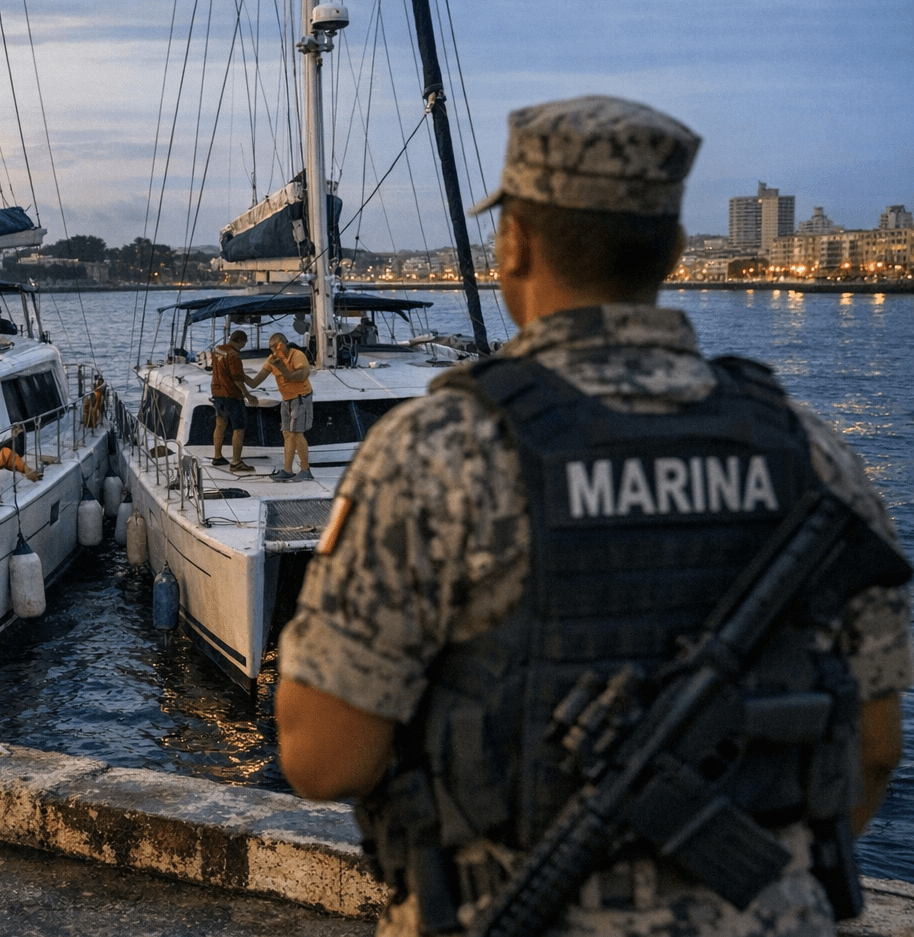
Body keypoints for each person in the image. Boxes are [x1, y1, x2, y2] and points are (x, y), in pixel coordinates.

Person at [274, 96, 912, 937]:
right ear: (675, 251)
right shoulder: (811, 452)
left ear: (515, 245)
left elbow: (323, 756)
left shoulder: (437, 453)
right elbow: (870, 747)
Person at [248, 332, 312, 481]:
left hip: (301, 397)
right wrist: (239, 378)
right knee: (287, 433)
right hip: (287, 398)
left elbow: (300, 375)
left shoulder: (297, 355)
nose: (272, 352)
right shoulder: (273, 359)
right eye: (271, 349)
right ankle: (287, 470)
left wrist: (280, 367)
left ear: (281, 345)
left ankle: (305, 469)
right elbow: (255, 382)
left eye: (274, 348)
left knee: (297, 432)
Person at [208, 330, 256, 473]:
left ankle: (217, 456)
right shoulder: (234, 355)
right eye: (244, 343)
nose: (243, 346)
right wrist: (248, 395)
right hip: (231, 395)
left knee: (220, 423)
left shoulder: (218, 350)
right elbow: (237, 378)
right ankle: (236, 462)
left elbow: (224, 370)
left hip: (217, 392)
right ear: (240, 341)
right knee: (239, 428)